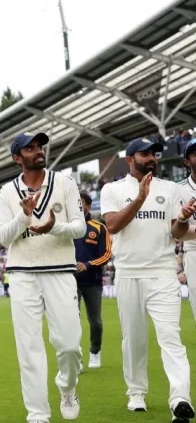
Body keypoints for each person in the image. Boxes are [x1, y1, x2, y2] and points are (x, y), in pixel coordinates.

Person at [100, 137, 195, 419]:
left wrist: (182, 218)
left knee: (170, 336)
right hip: (128, 273)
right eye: (144, 154)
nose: (151, 158)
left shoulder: (169, 189)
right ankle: (136, 392)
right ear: (130, 159)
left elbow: (177, 233)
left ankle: (180, 398)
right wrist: (140, 198)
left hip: (163, 273)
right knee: (134, 340)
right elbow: (113, 225)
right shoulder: (112, 189)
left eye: (154, 153)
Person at [0, 132, 86, 422]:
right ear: (17, 158)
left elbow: (80, 227)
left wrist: (53, 228)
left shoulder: (65, 183)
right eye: (30, 148)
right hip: (22, 273)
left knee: (69, 345)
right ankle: (37, 413)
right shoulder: (7, 192)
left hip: (60, 269)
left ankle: (67, 387)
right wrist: (23, 217)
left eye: (39, 147)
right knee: (29, 346)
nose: (38, 151)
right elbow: (3, 238)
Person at [73, 191, 112, 370]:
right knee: (72, 321)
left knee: (95, 321)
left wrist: (88, 265)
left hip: (93, 281)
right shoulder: (66, 227)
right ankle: (77, 358)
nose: (77, 206)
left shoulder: (99, 227)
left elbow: (107, 254)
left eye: (80, 203)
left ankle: (95, 352)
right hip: (70, 282)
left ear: (88, 206)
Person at [178, 139, 196, 323]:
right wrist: (183, 217)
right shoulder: (179, 189)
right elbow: (176, 229)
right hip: (194, 252)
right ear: (186, 161)